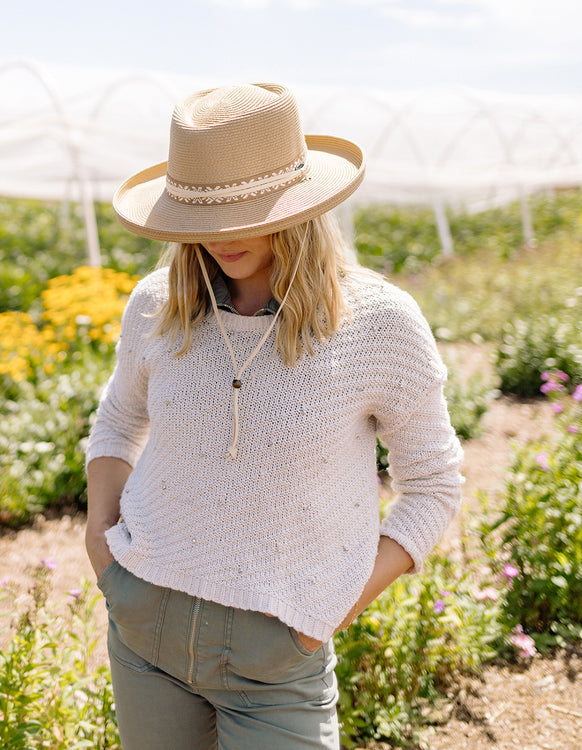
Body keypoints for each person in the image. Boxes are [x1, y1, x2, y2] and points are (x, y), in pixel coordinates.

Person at [84, 82, 463, 750]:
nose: (225, 234)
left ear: (300, 203)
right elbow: (118, 420)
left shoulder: (378, 323)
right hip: (144, 622)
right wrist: (101, 545)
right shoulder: (156, 305)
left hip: (278, 652)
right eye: (207, 213)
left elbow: (433, 485)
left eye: (247, 209)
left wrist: (327, 611)